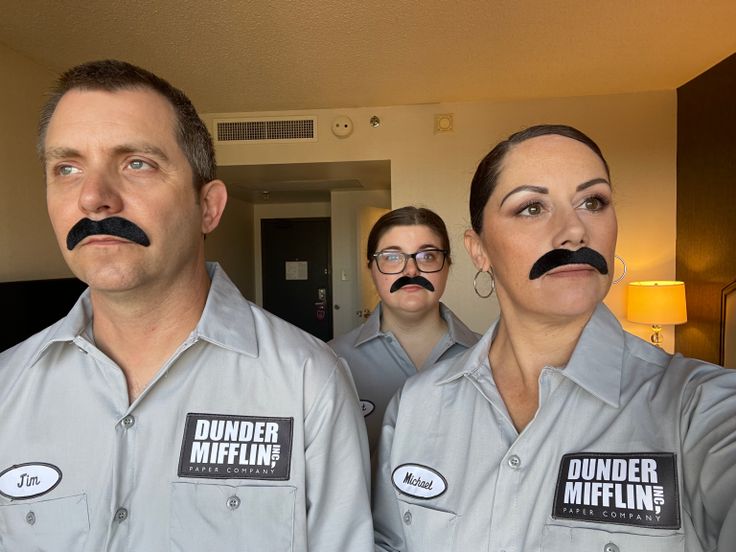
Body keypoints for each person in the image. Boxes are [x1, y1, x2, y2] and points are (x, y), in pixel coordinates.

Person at [0, 60, 373, 552]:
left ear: (209, 207)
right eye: (66, 168)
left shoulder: (308, 381)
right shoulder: (8, 384)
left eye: (137, 163)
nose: (93, 198)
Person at [372, 125, 736, 551]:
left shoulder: (696, 407)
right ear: (479, 250)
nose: (575, 231)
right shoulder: (417, 405)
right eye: (531, 208)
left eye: (593, 202)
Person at [329, 206, 478, 453]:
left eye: (427, 256)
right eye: (391, 256)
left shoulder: (489, 357)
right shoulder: (332, 360)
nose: (411, 271)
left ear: (447, 266)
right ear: (371, 270)